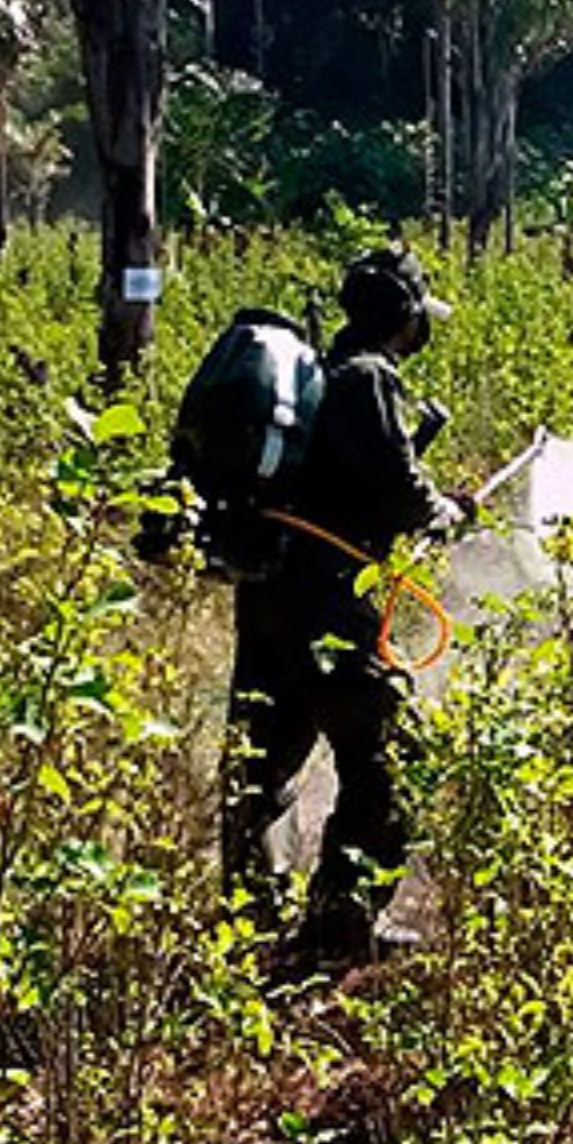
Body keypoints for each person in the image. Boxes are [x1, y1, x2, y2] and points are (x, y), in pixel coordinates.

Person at [223, 246, 470, 973]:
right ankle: (338, 929)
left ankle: (251, 934)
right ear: (407, 316)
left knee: (261, 761)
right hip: (327, 603)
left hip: (272, 593)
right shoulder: (367, 378)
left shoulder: (325, 373)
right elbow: (399, 493)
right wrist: (447, 512)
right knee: (390, 762)